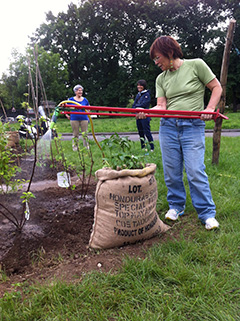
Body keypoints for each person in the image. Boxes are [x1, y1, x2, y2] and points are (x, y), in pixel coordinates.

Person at [137, 36, 222, 230]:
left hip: (192, 126)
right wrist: (147, 112)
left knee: (194, 170)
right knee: (172, 171)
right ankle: (176, 205)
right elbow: (161, 106)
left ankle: (207, 213)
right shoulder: (161, 78)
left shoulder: (196, 65)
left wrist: (209, 109)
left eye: (158, 58)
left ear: (169, 51)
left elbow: (216, 87)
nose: (156, 62)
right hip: (168, 126)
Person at [132, 79, 154, 151]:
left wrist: (137, 107)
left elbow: (145, 104)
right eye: (138, 85)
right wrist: (136, 108)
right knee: (140, 132)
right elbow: (134, 104)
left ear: (143, 86)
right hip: (138, 115)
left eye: (140, 85)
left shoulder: (146, 94)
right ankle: (143, 147)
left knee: (147, 131)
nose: (138, 87)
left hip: (144, 115)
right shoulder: (138, 95)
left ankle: (151, 147)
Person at [66, 84, 90, 151]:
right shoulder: (71, 100)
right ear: (75, 92)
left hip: (84, 118)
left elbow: (88, 107)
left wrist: (88, 114)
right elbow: (65, 107)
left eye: (81, 90)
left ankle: (86, 146)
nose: (80, 92)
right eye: (79, 90)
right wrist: (67, 115)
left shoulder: (85, 100)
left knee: (85, 133)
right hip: (74, 118)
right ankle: (75, 147)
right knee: (75, 133)